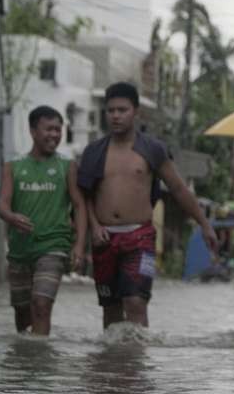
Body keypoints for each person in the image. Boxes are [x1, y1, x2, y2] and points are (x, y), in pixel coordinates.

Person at [78, 82, 218, 329]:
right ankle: (110, 365)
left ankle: (136, 364)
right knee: (110, 308)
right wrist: (94, 225)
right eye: (111, 111)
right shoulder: (94, 151)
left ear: (136, 112)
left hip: (140, 237)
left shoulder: (152, 149)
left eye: (122, 110)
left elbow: (178, 189)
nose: (116, 116)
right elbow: (84, 196)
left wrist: (204, 224)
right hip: (104, 239)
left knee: (136, 302)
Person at [0, 106, 87, 336]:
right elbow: (2, 204)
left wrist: (78, 246)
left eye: (58, 130)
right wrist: (10, 216)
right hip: (20, 250)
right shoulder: (13, 167)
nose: (54, 135)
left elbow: (79, 205)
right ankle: (25, 363)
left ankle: (41, 362)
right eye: (49, 129)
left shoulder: (67, 166)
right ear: (33, 131)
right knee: (22, 313)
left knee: (41, 305)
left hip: (54, 247)